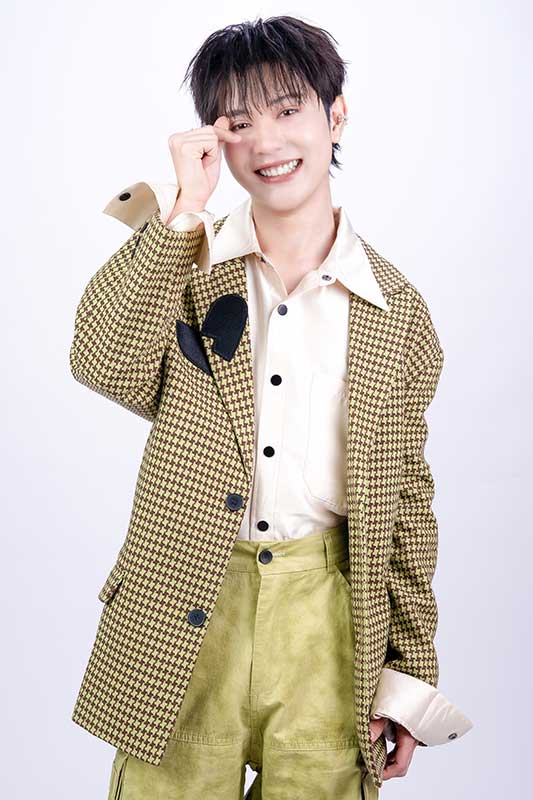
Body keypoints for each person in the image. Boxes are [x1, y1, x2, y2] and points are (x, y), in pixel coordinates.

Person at [69, 15, 473, 799]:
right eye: (237, 122)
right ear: (214, 139)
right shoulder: (182, 264)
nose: (267, 141)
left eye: (288, 110)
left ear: (335, 115)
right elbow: (102, 362)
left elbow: (405, 501)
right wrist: (182, 211)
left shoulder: (395, 311)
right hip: (186, 602)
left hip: (328, 623)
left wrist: (409, 673)